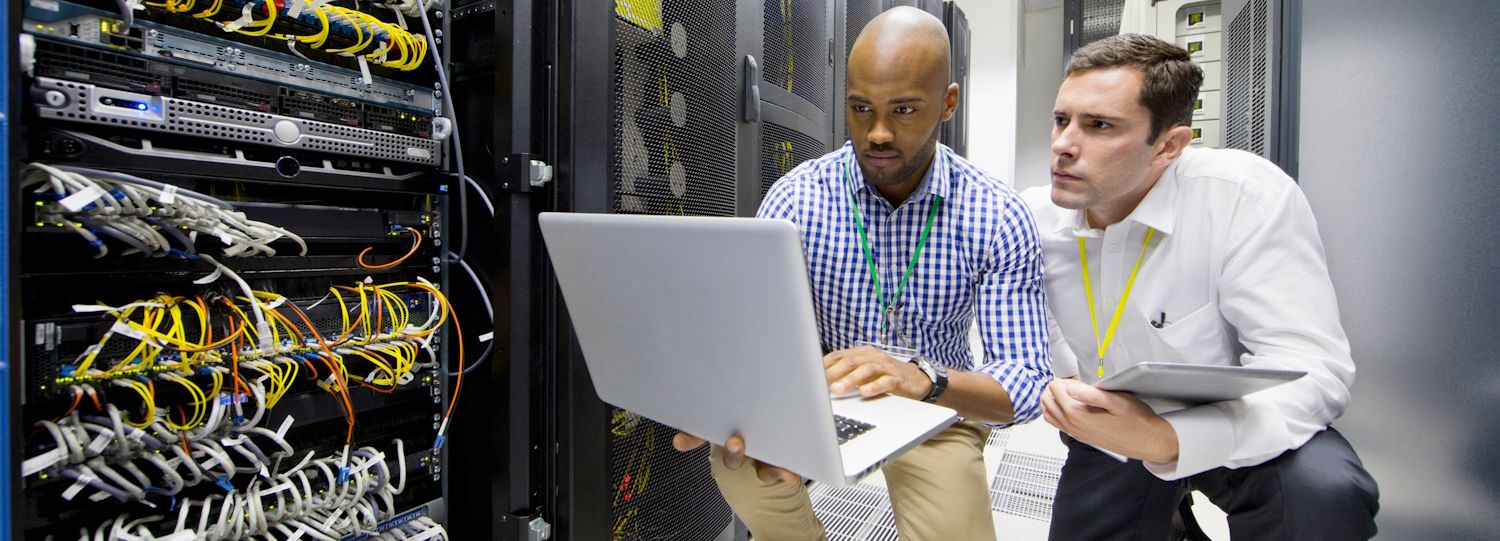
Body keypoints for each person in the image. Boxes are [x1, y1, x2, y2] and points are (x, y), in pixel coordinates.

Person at [672, 7, 1052, 540]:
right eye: (860, 108)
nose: (876, 133)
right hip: (818, 400)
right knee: (738, 466)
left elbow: (1028, 380)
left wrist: (926, 379)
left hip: (933, 407)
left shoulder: (996, 214)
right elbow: (752, 331)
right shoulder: (797, 199)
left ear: (948, 103)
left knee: (953, 526)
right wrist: (727, 398)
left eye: (903, 110)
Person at [1022, 33, 1380, 539]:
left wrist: (1171, 438)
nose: (1063, 144)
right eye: (1062, 120)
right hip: (1113, 428)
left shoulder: (1242, 197)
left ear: (1169, 146)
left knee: (1323, 494)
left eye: (1099, 125)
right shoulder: (1033, 219)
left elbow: (1312, 371)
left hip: (1240, 423)